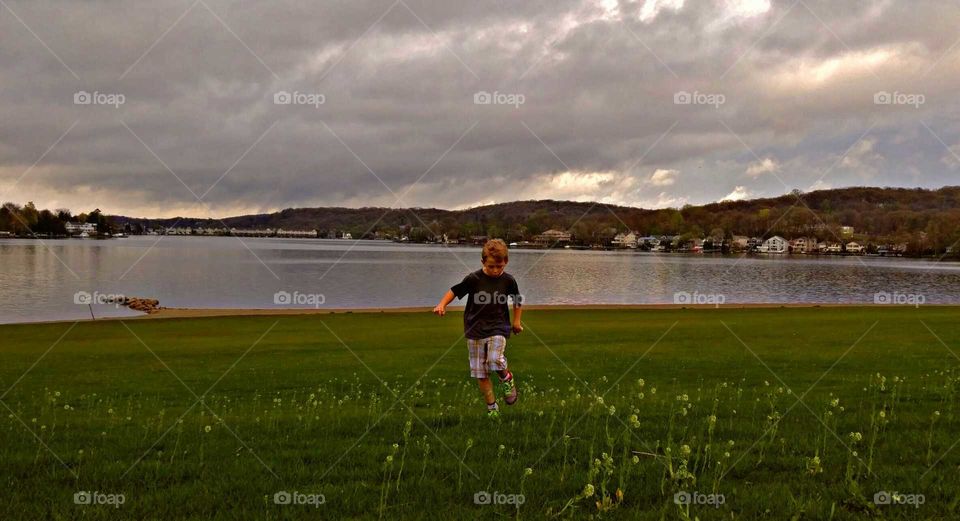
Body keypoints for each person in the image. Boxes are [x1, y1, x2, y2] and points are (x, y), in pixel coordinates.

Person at [433, 239, 523, 420]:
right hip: (474, 330)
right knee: (481, 373)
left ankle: (507, 379)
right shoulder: (473, 279)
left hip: (498, 327)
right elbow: (454, 291)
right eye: (491, 266)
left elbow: (517, 300)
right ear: (483, 262)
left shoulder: (508, 280)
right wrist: (442, 304)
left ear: (506, 262)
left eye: (499, 266)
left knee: (495, 359)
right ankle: (492, 408)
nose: (496, 270)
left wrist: (516, 322)